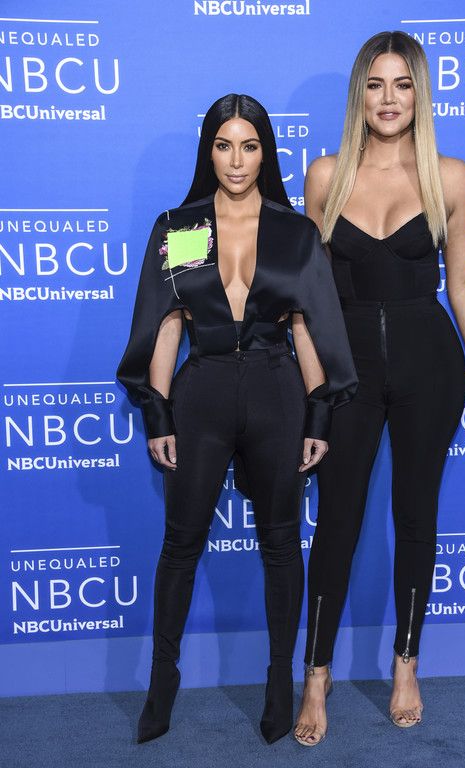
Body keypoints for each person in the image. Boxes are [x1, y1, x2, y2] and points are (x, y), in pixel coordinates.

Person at [117, 93, 357, 745]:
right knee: (180, 543)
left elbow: (307, 326)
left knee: (281, 543)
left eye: (249, 146)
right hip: (202, 394)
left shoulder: (293, 231)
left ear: (266, 153)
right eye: (223, 146)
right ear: (208, 151)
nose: (236, 160)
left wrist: (319, 414)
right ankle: (161, 682)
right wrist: (157, 412)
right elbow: (167, 324)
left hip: (278, 392)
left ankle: (280, 684)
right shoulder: (180, 226)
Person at [294, 31, 465, 746]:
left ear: (419, 93)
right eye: (376, 84)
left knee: (417, 517)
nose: (389, 99)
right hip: (346, 371)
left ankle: (406, 663)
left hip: (429, 365)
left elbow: (463, 279)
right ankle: (316, 674)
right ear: (360, 94)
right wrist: (313, 386)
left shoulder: (450, 176)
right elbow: (305, 295)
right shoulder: (326, 176)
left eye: (402, 84)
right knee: (338, 522)